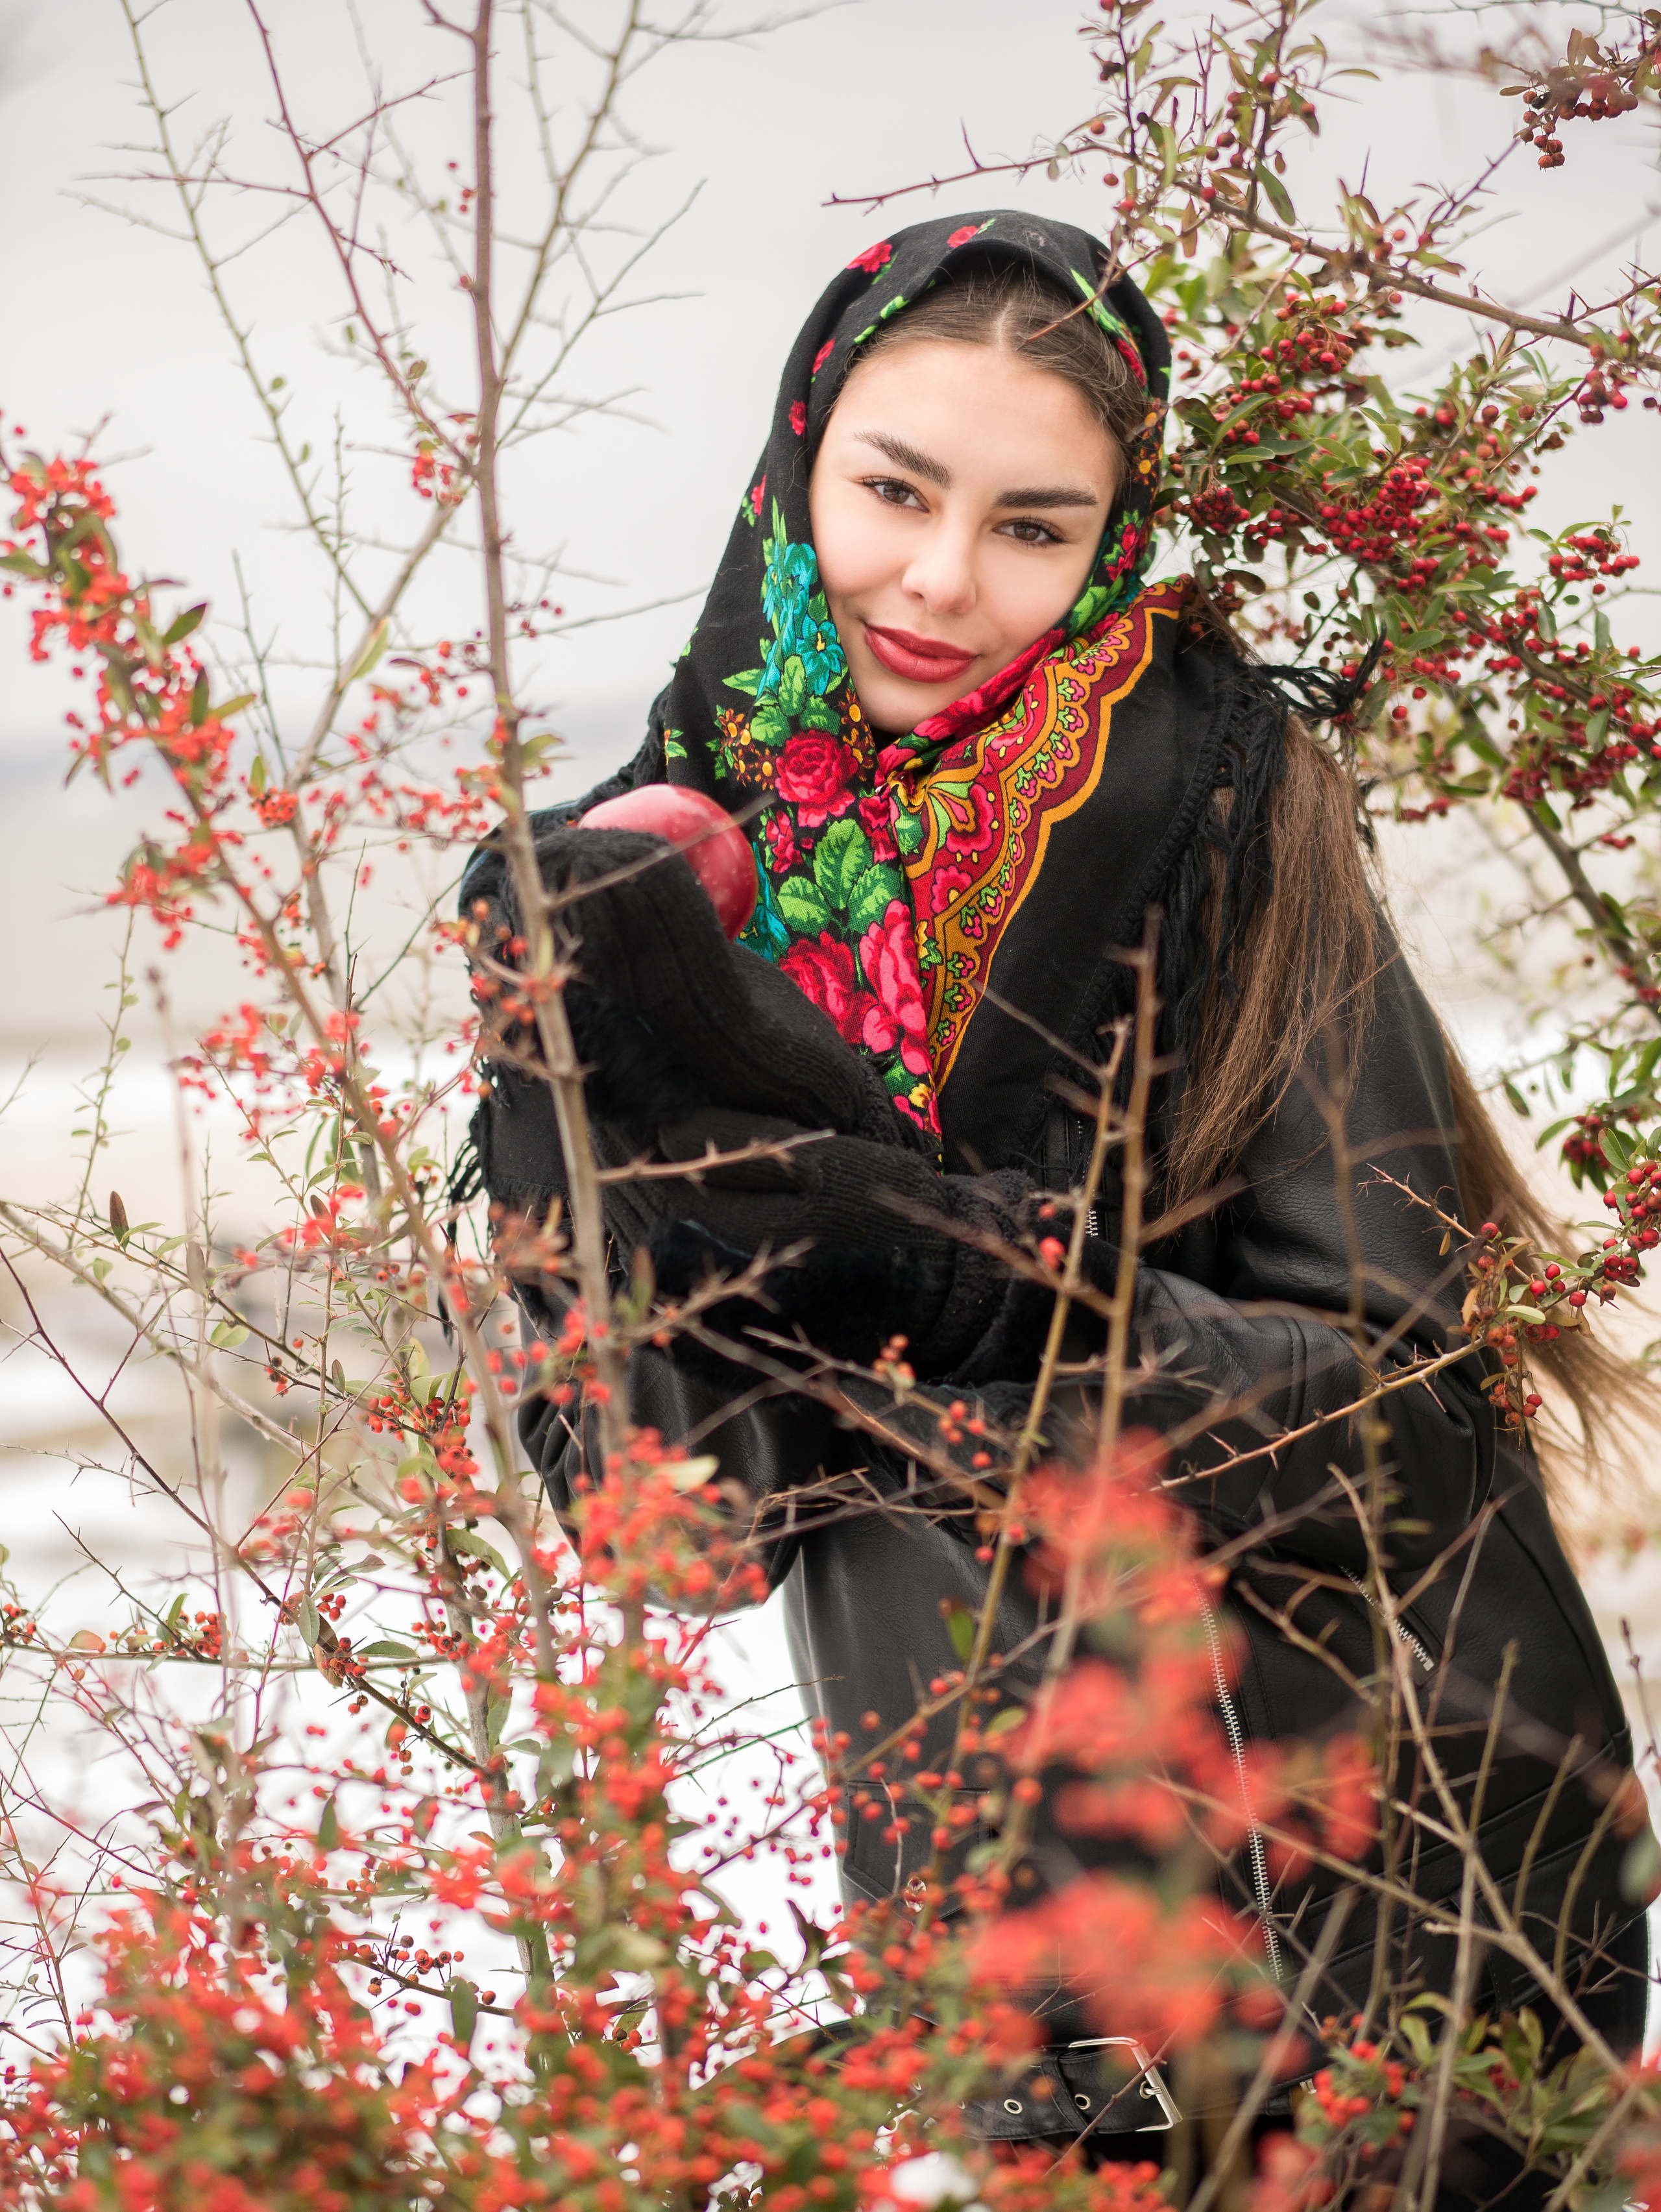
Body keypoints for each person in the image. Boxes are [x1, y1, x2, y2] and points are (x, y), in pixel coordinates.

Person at [460, 211, 1649, 2173]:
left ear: (1111, 538)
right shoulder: (673, 871)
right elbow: (664, 1523)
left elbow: (1395, 1421)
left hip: (1402, 1885)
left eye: (1031, 523)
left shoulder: (1217, 804)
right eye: (896, 491)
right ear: (797, 460)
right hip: (1011, 1973)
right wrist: (576, 1087)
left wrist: (980, 1284)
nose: (941, 581)